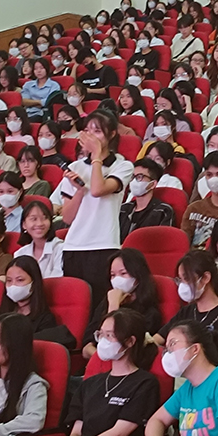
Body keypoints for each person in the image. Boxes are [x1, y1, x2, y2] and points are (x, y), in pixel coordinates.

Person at [61, 109, 132, 297]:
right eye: (88, 131)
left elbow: (97, 189)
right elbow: (67, 218)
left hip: (104, 244)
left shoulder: (123, 165)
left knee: (100, 301)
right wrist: (79, 191)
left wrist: (97, 156)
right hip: (74, 246)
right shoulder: (74, 167)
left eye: (97, 131)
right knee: (76, 301)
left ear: (112, 134)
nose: (91, 136)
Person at [68, 309, 160, 436]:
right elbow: (77, 429)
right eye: (101, 335)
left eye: (109, 335)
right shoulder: (90, 383)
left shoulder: (145, 383)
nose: (103, 341)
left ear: (130, 341)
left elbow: (119, 433)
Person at [80, 248, 166, 359]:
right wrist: (101, 360)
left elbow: (122, 349)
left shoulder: (150, 313)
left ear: (138, 275)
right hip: (98, 363)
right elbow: (86, 348)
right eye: (113, 275)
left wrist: (114, 306)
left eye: (123, 273)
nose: (117, 279)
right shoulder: (106, 302)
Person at [162, 250, 218, 345]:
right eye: (180, 280)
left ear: (206, 278)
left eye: (187, 279)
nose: (182, 285)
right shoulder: (186, 311)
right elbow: (160, 337)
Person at [120, 158, 176, 237]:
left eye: (139, 177)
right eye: (133, 177)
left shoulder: (163, 211)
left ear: (153, 184)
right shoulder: (123, 209)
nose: (134, 181)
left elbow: (163, 240)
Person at [13, 200, 64, 278]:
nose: (40, 223)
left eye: (44, 218)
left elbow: (58, 280)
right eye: (34, 219)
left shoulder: (60, 248)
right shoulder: (20, 254)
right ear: (24, 224)